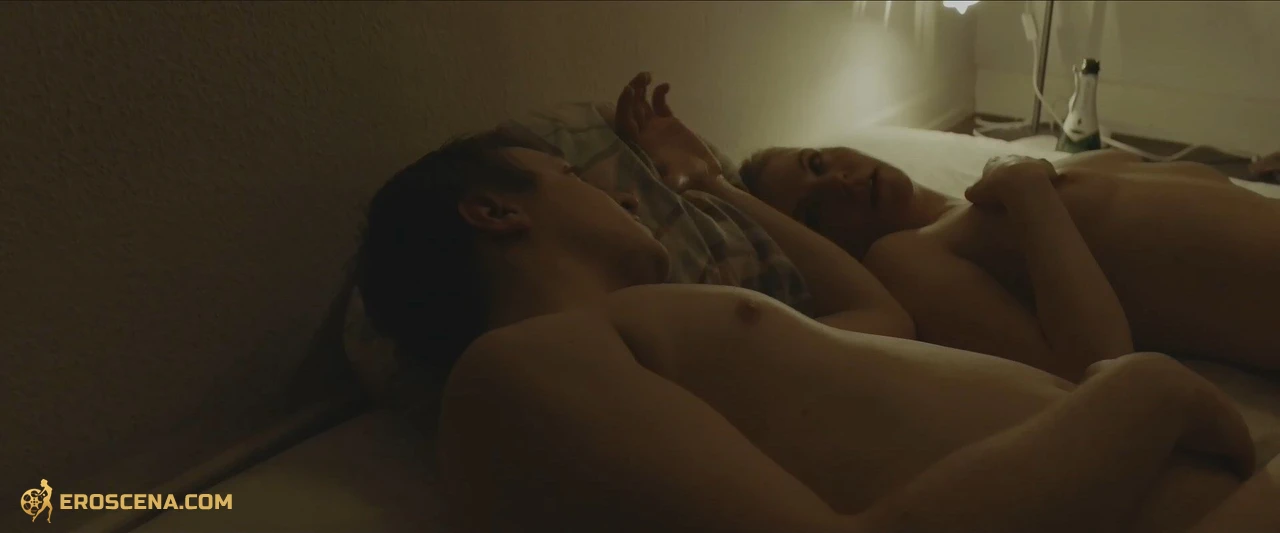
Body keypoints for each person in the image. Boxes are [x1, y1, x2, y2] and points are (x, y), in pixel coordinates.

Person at [355, 73, 1279, 533]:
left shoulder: (663, 327)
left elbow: (882, 316)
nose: (625, 195)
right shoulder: (514, 366)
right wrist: (1143, 393)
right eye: (573, 177)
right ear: (495, 212)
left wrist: (712, 187)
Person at [740, 126, 1280, 380]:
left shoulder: (1005, 182)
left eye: (816, 163)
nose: (838, 182)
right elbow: (1092, 366)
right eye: (815, 214)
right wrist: (1028, 192)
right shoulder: (905, 257)